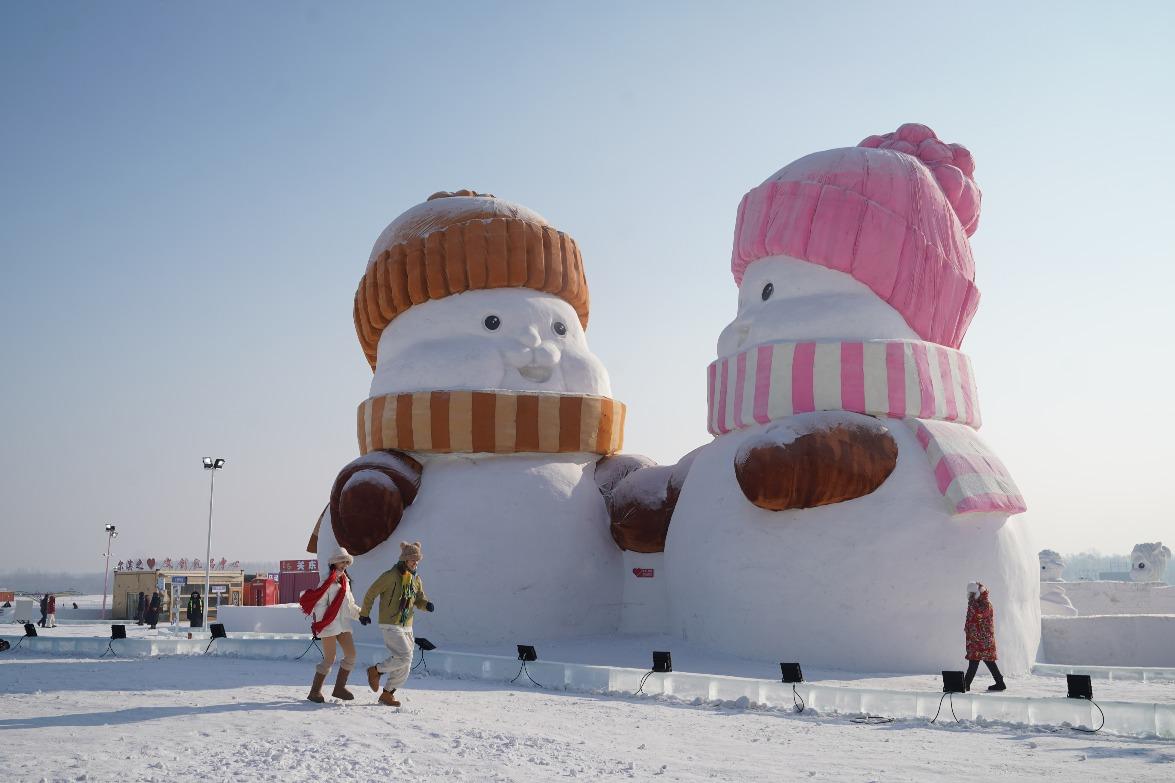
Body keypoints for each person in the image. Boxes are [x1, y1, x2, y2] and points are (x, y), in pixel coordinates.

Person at [359, 541, 435, 707]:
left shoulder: (415, 579)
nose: (416, 563)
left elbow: (419, 599)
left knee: (406, 662)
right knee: (405, 656)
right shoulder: (390, 576)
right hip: (390, 622)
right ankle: (375, 670)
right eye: (413, 560)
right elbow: (371, 593)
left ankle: (388, 693)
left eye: (417, 561)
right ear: (404, 560)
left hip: (407, 624)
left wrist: (426, 605)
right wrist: (364, 613)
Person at [298, 548, 362, 703]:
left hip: (343, 625)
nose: (345, 565)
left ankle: (339, 688)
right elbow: (320, 606)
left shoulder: (345, 582)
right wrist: (322, 624)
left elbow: (350, 605)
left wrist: (361, 615)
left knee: (351, 655)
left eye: (347, 562)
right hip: (329, 625)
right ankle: (315, 692)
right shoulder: (326, 582)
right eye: (342, 561)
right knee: (329, 659)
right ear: (334, 562)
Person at [964, 581, 1005, 692]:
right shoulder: (977, 603)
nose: (970, 596)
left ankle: (966, 684)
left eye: (972, 593)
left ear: (977, 593)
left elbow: (979, 614)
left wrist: (972, 602)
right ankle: (1000, 683)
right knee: (987, 661)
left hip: (982, 639)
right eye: (970, 594)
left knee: (975, 660)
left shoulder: (985, 604)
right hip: (977, 638)